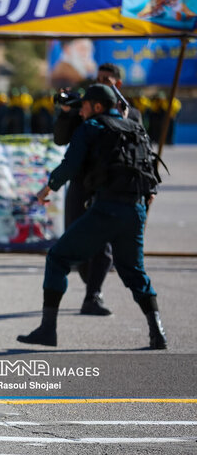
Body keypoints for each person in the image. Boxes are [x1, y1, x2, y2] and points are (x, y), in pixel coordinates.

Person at [17, 84, 167, 350]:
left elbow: (70, 165)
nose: (81, 112)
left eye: (84, 106)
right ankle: (157, 332)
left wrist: (48, 187)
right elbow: (150, 168)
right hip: (135, 210)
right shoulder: (135, 128)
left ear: (97, 107)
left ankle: (47, 330)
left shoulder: (92, 128)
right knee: (133, 271)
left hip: (104, 209)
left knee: (58, 257)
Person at [52, 63, 142, 316]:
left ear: (118, 84)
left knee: (104, 246)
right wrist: (67, 113)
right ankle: (90, 287)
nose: (100, 82)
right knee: (75, 241)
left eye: (106, 79)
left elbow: (139, 149)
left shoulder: (131, 114)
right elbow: (60, 138)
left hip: (108, 187)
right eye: (98, 78)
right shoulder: (85, 108)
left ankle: (94, 295)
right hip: (80, 185)